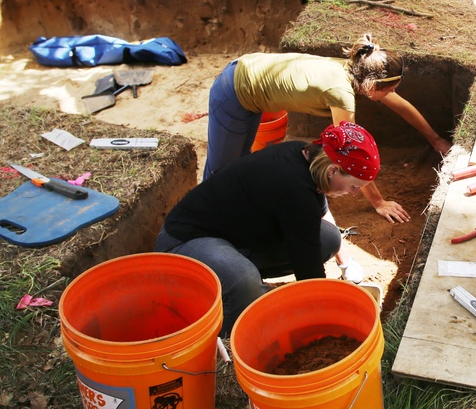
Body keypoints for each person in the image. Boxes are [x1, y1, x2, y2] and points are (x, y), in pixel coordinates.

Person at [155, 122, 381, 336]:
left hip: (236, 237)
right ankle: (231, 338)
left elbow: (316, 226)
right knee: (245, 280)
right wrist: (323, 319)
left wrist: (346, 264)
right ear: (333, 170)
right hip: (185, 242)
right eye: (354, 186)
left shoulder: (305, 157)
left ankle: (236, 278)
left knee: (329, 238)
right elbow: (308, 269)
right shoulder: (295, 190)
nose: (353, 194)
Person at [203, 33, 452, 223]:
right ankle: (208, 221)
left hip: (252, 82)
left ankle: (240, 206)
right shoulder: (341, 93)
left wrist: (435, 139)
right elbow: (352, 156)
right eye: (390, 89)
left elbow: (402, 106)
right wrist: (379, 202)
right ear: (372, 85)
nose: (394, 93)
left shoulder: (358, 71)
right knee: (220, 172)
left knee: (239, 161)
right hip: (234, 90)